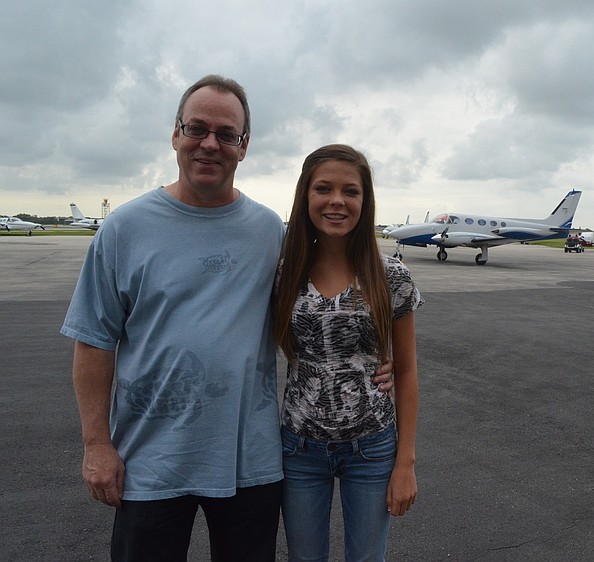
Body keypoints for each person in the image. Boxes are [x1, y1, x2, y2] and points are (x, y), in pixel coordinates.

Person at [60, 76, 393, 561]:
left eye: (226, 134)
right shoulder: (123, 229)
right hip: (150, 462)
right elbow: (93, 340)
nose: (210, 144)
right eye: (196, 128)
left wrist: (372, 360)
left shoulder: (270, 233)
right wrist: (96, 445)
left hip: (248, 465)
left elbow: (325, 296)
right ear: (175, 134)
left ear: (244, 146)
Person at [274, 144, 422, 562]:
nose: (336, 200)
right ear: (306, 196)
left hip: (371, 446)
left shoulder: (391, 276)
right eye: (323, 188)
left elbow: (407, 371)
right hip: (299, 447)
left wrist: (405, 463)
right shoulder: (283, 272)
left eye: (350, 191)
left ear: (365, 200)